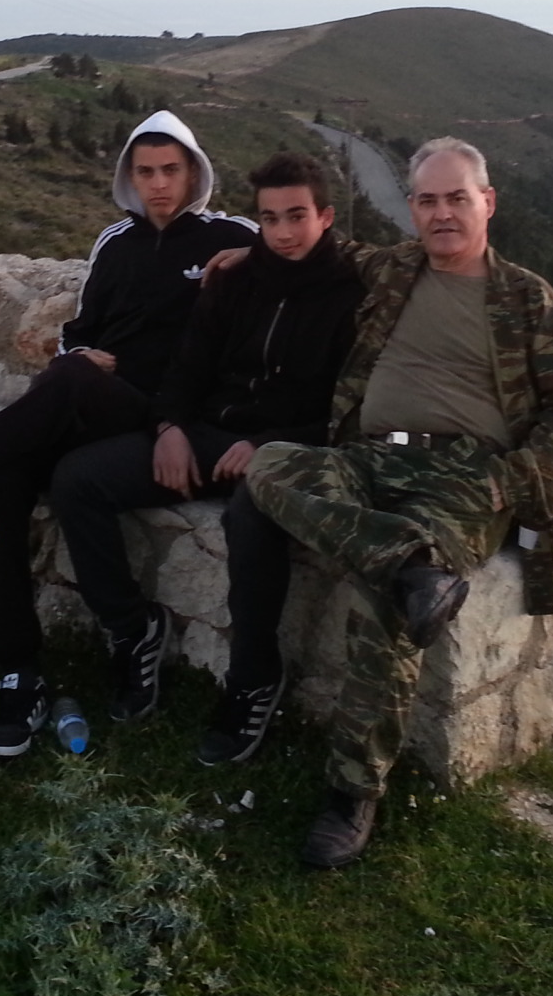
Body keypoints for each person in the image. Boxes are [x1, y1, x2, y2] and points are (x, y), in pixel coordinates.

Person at [0, 110, 256, 756]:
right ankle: (17, 674)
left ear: (194, 171)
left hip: (167, 415)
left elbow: (305, 254)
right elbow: (79, 334)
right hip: (96, 403)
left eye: (171, 170)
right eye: (146, 171)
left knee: (67, 385)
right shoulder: (114, 243)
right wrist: (76, 356)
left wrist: (258, 258)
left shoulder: (231, 235)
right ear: (129, 176)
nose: (158, 184)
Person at [232, 136, 553, 867]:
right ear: (412, 209)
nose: (442, 214)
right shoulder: (394, 267)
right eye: (428, 201)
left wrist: (510, 479)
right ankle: (412, 567)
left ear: (487, 202)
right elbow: (316, 245)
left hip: (465, 476)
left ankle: (353, 791)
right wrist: (237, 251)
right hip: (368, 457)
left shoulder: (528, 299)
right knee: (270, 465)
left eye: (456, 198)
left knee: (384, 604)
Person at [45, 150, 363, 743]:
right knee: (78, 479)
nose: (283, 233)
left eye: (297, 216)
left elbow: (351, 408)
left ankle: (252, 678)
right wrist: (169, 428)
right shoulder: (235, 279)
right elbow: (187, 367)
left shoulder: (354, 294)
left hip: (287, 450)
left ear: (325, 217)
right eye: (269, 219)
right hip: (206, 435)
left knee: (251, 515)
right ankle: (131, 626)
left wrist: (267, 445)